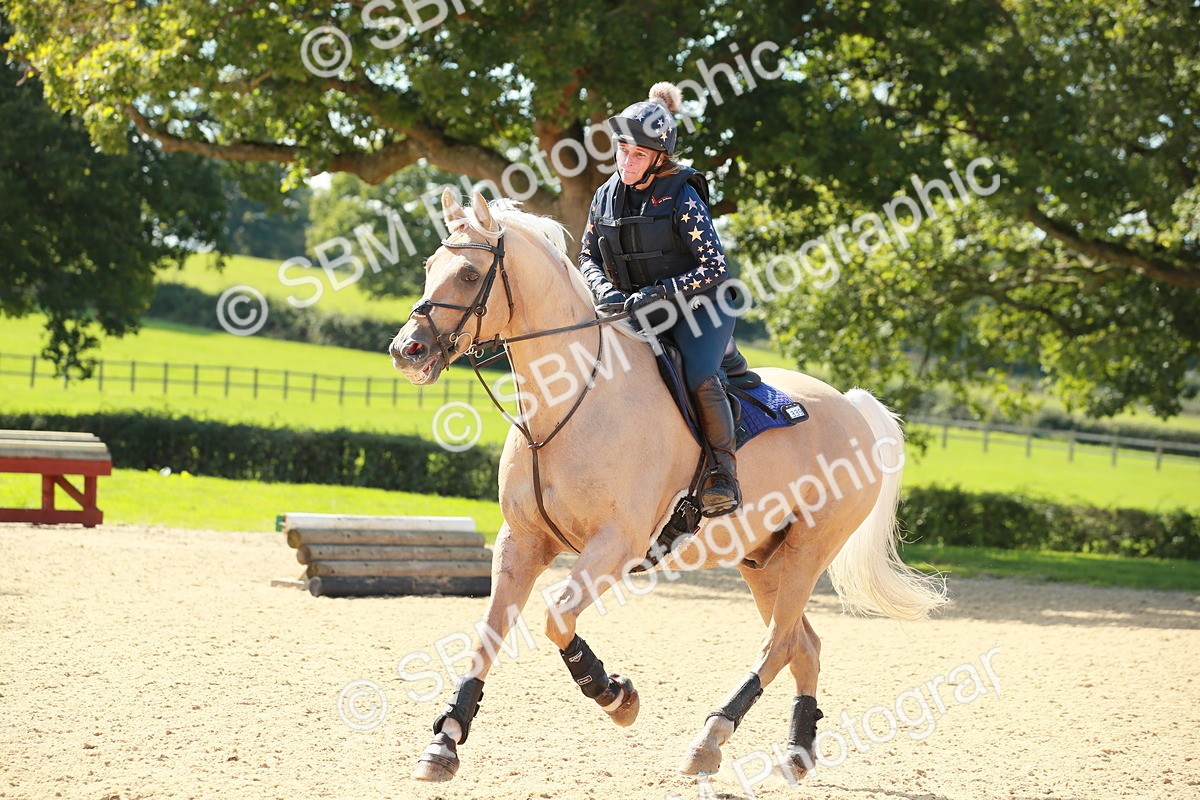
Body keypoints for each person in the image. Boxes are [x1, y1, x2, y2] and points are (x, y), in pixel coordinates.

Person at [578, 81, 742, 517]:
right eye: (622, 151)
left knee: (698, 375)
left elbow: (714, 267)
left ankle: (723, 473)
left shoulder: (683, 197)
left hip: (701, 309)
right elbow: (586, 256)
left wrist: (658, 292)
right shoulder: (603, 196)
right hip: (635, 310)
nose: (626, 163)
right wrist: (604, 290)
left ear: (660, 158)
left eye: (638, 156)